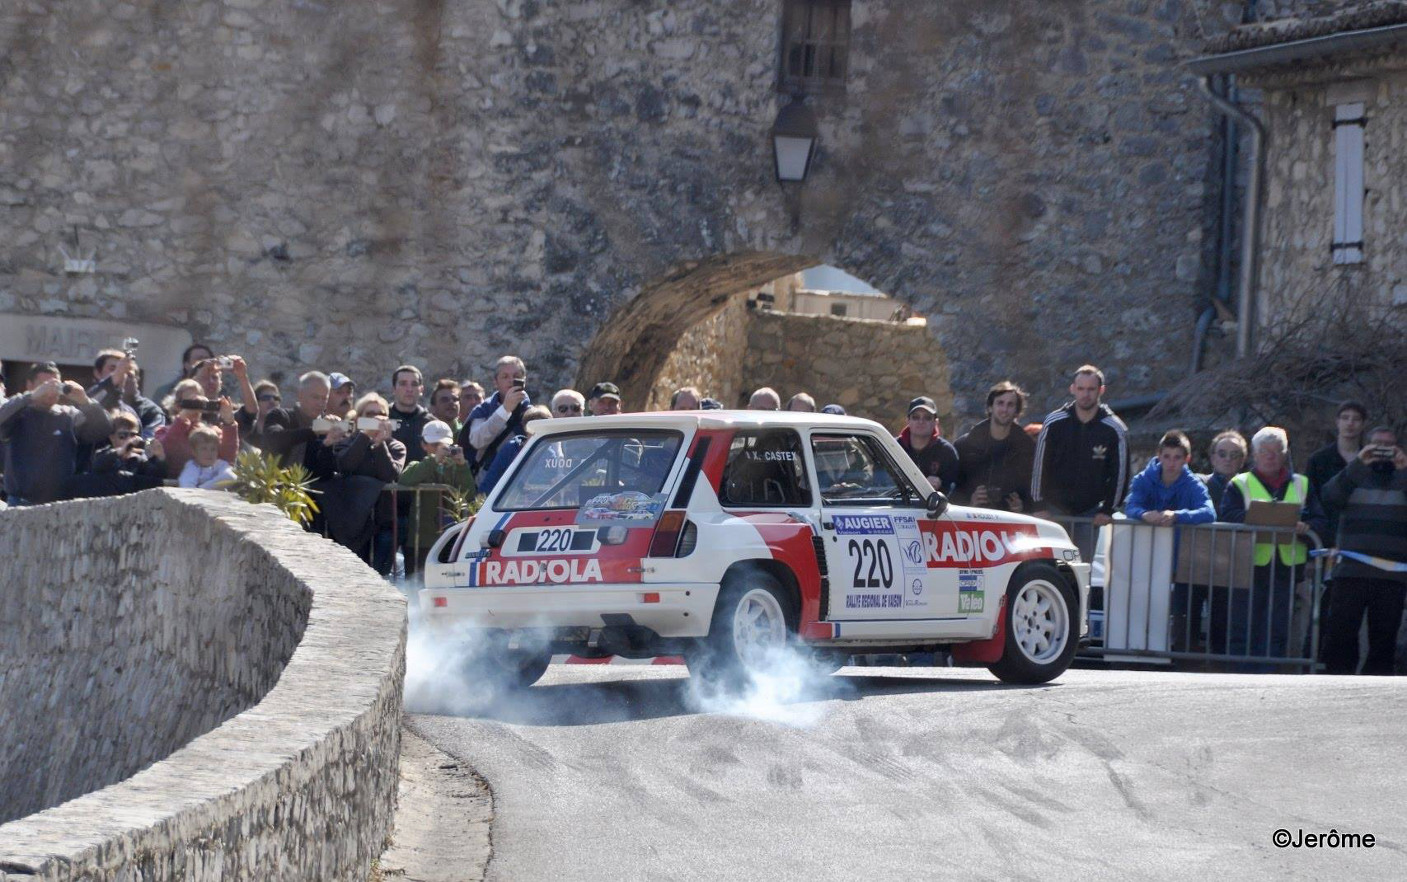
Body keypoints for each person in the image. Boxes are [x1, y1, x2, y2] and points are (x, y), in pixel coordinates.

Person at [1220, 426, 1328, 663]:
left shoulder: (1302, 484)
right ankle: (1239, 676)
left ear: (1284, 453)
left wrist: (1304, 526)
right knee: (1245, 624)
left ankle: (1270, 675)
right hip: (1247, 566)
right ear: (1255, 454)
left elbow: (1320, 520)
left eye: (1276, 451)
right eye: (1265, 451)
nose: (1271, 456)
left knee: (1277, 627)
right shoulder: (1239, 484)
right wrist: (1259, 520)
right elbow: (1227, 517)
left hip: (1286, 568)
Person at [1319, 426, 1407, 675]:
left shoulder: (1403, 478)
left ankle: (1375, 692)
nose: (1382, 452)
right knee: (1340, 635)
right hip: (1351, 572)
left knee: (1384, 640)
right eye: (1377, 446)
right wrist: (1358, 463)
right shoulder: (1353, 477)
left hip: (1391, 575)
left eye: (1388, 447)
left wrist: (1404, 469)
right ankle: (1336, 684)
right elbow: (1329, 497)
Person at [0, 362, 113, 505]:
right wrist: (31, 397)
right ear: (30, 385)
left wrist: (85, 401)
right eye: (44, 385)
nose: (51, 391)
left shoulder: (68, 416)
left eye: (55, 385)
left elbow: (105, 428)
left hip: (59, 502)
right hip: (21, 500)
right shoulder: (19, 412)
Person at [1031, 365, 1130, 526]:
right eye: (1081, 388)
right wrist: (1038, 504)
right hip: (1052, 511)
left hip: (1089, 514)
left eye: (1091, 389)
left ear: (1101, 390)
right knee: (1052, 553)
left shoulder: (1115, 429)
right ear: (1073, 389)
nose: (1086, 394)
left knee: (1081, 553)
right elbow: (1039, 467)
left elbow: (1120, 474)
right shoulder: (1054, 423)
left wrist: (1107, 509)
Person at [327, 393, 407, 576]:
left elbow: (390, 474)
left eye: (381, 415)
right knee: (351, 575)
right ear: (358, 419)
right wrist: (364, 437)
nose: (376, 419)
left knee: (379, 576)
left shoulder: (396, 446)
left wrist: (380, 444)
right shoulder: (344, 443)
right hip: (350, 522)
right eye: (370, 414)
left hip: (382, 521)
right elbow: (346, 465)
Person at [398, 420, 477, 562]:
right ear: (423, 445)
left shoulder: (456, 468)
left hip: (448, 538)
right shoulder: (417, 465)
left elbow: (469, 493)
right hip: (420, 541)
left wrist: (461, 466)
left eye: (444, 445)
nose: (440, 449)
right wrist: (433, 460)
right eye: (435, 445)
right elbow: (405, 480)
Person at [953, 381, 1035, 511]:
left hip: (1010, 522)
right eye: (1000, 403)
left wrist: (1021, 507)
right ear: (990, 407)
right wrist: (970, 503)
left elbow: (1032, 491)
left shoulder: (1027, 448)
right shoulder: (965, 446)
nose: (1004, 409)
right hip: (974, 523)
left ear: (1016, 412)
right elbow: (955, 492)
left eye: (1010, 405)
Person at [1124, 431, 1216, 527]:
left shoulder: (1194, 484)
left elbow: (1209, 512)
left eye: (1177, 457)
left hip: (1180, 540)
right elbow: (1130, 507)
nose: (1171, 463)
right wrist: (1143, 514)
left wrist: (1176, 516)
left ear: (1187, 459)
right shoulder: (1143, 479)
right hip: (1146, 539)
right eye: (1166, 456)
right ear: (1159, 456)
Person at [1306, 400, 1368, 540]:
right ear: (1337, 422)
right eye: (1345, 418)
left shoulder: (1370, 461)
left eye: (1356, 419)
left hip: (1361, 533)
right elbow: (1312, 500)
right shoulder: (1318, 460)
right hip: (1327, 535)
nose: (1350, 423)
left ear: (1363, 424)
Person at [463, 356, 530, 471]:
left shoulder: (530, 412)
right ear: (496, 382)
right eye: (505, 377)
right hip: (488, 480)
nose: (511, 380)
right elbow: (477, 441)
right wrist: (505, 410)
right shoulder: (483, 410)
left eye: (516, 376)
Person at [256, 371, 330, 472]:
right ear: (300, 395)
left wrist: (329, 444)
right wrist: (314, 431)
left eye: (324, 398)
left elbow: (324, 473)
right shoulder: (280, 416)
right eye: (315, 397)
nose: (320, 403)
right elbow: (273, 439)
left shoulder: (326, 424)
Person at [82, 412, 167, 497]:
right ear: (112, 438)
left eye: (133, 435)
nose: (129, 439)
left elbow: (156, 476)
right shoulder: (102, 454)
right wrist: (121, 451)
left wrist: (160, 458)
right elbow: (98, 466)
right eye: (123, 436)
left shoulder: (138, 458)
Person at [155, 392, 239, 478]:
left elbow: (227, 459)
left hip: (210, 484)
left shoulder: (212, 432)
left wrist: (229, 421)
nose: (196, 405)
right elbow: (168, 451)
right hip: (177, 484)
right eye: (191, 402)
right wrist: (182, 419)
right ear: (177, 406)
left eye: (199, 402)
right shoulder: (163, 431)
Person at [478, 405, 554, 495]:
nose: (537, 429)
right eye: (533, 423)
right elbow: (490, 481)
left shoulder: (550, 454)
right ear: (525, 427)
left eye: (542, 423)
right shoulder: (510, 449)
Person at [896, 396, 959, 494]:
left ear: (935, 422)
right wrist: (923, 484)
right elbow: (882, 485)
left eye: (927, 418)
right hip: (898, 506)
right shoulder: (894, 448)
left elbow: (954, 492)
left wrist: (941, 485)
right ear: (908, 421)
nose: (921, 422)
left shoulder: (947, 452)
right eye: (916, 417)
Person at [388, 365, 433, 464]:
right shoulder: (381, 419)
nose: (409, 389)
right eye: (403, 384)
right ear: (394, 389)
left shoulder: (431, 424)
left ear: (421, 390)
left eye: (414, 384)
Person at [1197, 429, 1247, 516]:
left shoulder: (1250, 486)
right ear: (1212, 458)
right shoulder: (1198, 484)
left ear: (1242, 460)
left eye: (1234, 455)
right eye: (1222, 454)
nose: (1228, 459)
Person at [178, 425, 235, 490]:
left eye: (213, 449)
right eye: (204, 449)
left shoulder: (221, 464)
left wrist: (202, 489)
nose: (209, 453)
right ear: (194, 452)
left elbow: (231, 476)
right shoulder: (192, 466)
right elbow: (186, 485)